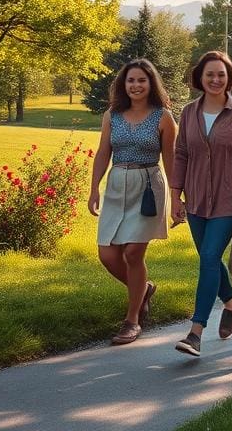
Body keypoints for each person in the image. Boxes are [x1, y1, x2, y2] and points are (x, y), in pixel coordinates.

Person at [170, 50, 232, 357]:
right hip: (195, 200)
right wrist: (174, 195)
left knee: (208, 256)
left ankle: (195, 332)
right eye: (210, 74)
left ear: (229, 77)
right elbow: (181, 154)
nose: (216, 79)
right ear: (200, 78)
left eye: (221, 74)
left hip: (229, 200)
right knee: (210, 259)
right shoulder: (189, 112)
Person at [89, 58, 177, 346]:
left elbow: (171, 159)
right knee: (108, 255)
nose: (136, 85)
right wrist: (94, 189)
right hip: (116, 185)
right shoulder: (112, 115)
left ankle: (132, 320)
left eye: (141, 80)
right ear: (123, 85)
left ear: (150, 83)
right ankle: (144, 289)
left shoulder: (163, 116)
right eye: (130, 80)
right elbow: (103, 152)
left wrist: (177, 197)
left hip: (148, 187)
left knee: (133, 253)